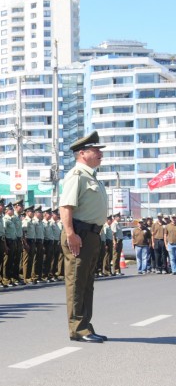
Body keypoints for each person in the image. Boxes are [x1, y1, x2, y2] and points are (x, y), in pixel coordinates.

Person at [59, 131, 108, 343]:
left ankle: (85, 325)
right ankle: (77, 328)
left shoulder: (91, 177)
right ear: (82, 153)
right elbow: (66, 207)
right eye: (95, 150)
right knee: (77, 283)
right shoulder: (76, 176)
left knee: (87, 283)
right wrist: (71, 234)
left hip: (92, 235)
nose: (100, 154)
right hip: (79, 234)